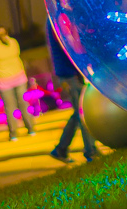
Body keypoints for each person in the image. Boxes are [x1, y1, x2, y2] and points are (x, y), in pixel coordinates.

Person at [46, 22, 99, 164]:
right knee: (82, 112)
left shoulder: (60, 17)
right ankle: (91, 152)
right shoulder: (58, 19)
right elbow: (72, 47)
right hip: (70, 73)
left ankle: (61, 149)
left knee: (78, 113)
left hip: (71, 72)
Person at [0, 26, 36, 141]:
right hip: (19, 78)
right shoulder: (13, 43)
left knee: (10, 108)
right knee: (23, 104)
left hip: (3, 81)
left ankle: (13, 134)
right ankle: (31, 129)